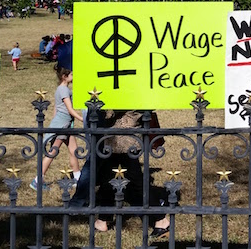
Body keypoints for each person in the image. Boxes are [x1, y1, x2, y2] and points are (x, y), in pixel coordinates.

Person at [68, 110, 171, 238]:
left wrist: (98, 108)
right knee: (109, 177)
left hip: (123, 139)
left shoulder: (125, 91)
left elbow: (111, 111)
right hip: (120, 137)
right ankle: (103, 220)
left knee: (135, 182)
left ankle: (161, 220)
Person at [32, 67, 83, 190]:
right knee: (53, 152)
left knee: (73, 150)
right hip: (62, 125)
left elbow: (56, 107)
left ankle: (77, 178)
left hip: (66, 124)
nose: (73, 76)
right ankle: (37, 180)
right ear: (64, 77)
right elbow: (69, 109)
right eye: (71, 74)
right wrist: (82, 119)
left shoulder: (61, 89)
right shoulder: (63, 90)